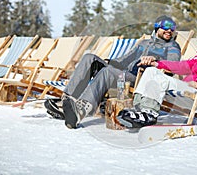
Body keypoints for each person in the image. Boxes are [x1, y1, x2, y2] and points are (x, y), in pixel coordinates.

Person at [44, 15, 181, 129]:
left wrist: (155, 59)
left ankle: (81, 110)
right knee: (89, 58)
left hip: (137, 79)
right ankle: (67, 101)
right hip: (123, 73)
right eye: (166, 26)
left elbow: (173, 65)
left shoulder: (172, 46)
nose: (170, 30)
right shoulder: (144, 43)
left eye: (172, 28)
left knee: (107, 72)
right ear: (157, 27)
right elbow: (124, 59)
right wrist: (110, 62)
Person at [117, 24, 197, 128]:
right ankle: (140, 108)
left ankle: (150, 113)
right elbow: (182, 66)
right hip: (189, 88)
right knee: (151, 71)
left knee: (160, 80)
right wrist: (157, 63)